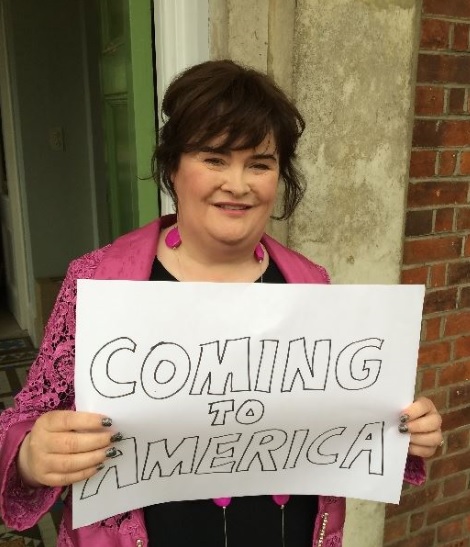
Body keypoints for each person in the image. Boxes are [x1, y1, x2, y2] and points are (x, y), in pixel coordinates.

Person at [0, 60, 442, 547]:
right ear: (173, 166)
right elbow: (26, 417)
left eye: (260, 164)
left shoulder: (311, 286)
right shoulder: (98, 282)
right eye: (214, 158)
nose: (238, 184)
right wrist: (31, 456)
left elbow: (343, 425)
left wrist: (404, 433)